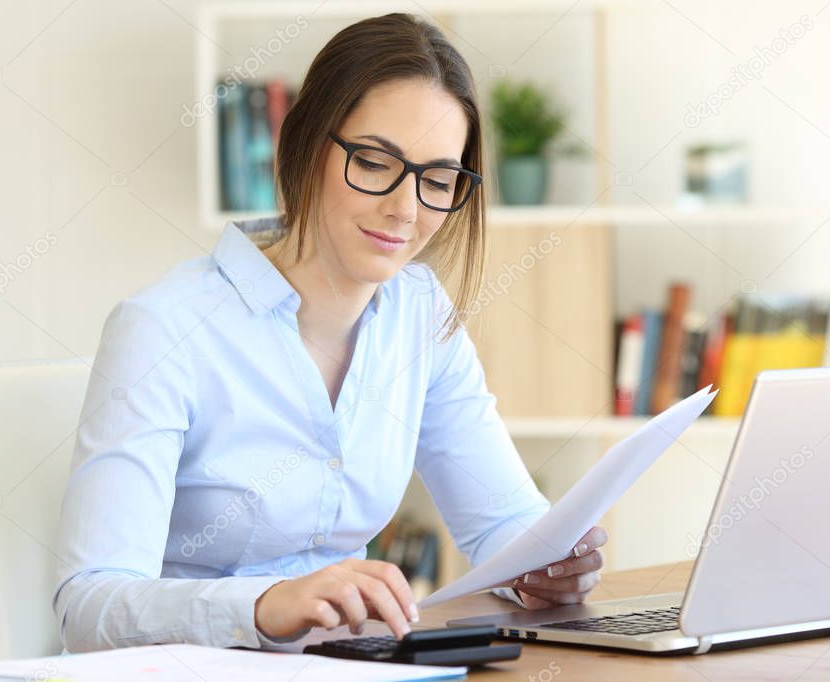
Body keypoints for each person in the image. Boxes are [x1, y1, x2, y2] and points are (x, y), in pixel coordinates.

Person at [53, 12, 607, 653]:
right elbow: (88, 606)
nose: (405, 208)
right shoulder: (163, 329)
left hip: (354, 665)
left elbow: (505, 524)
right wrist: (260, 606)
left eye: (437, 179)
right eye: (374, 162)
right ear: (308, 143)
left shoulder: (420, 314)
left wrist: (547, 568)